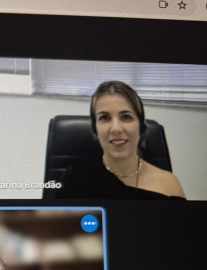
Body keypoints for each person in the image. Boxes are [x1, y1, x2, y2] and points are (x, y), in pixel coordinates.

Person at [56, 80, 186, 200]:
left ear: (141, 127)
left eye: (126, 117)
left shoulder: (169, 186)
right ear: (95, 130)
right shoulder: (75, 178)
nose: (116, 129)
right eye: (104, 118)